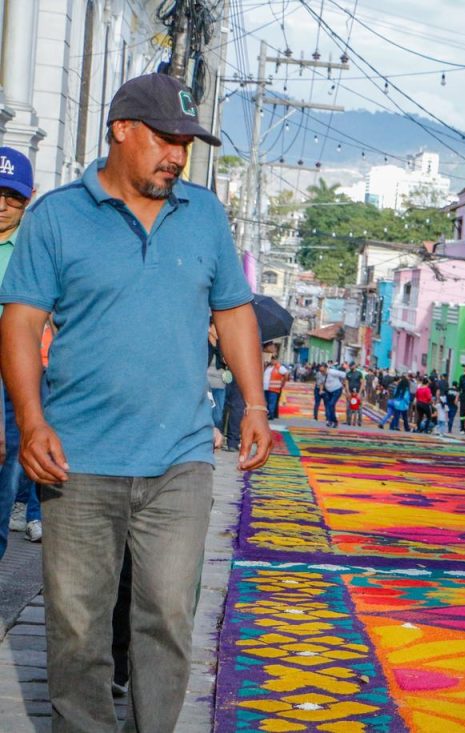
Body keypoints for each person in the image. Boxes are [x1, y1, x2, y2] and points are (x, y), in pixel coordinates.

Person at [0, 73, 273, 732]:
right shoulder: (58, 216)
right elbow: (19, 321)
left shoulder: (204, 213)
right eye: (165, 138)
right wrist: (31, 421)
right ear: (122, 129)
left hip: (179, 457)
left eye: (185, 141)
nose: (177, 155)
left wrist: (255, 404)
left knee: (168, 617)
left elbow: (233, 311)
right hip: (79, 460)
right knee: (76, 628)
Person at [0, 146, 39, 553]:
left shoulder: (36, 249)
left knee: (5, 479)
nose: (2, 206)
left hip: (14, 376)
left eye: (13, 197)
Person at [263, 354, 290, 419]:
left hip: (274, 388)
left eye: (274, 359)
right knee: (267, 402)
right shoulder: (268, 367)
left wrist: (283, 382)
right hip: (266, 388)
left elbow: (286, 373)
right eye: (272, 359)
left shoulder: (279, 367)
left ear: (277, 360)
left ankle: (271, 415)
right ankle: (268, 414)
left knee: (272, 402)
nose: (272, 361)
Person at [323, 363, 345, 428]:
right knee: (330, 405)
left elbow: (343, 375)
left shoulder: (332, 372)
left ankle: (333, 421)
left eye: (322, 370)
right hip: (329, 391)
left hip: (337, 390)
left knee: (331, 404)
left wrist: (343, 383)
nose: (321, 371)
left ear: (326, 368)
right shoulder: (323, 374)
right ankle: (331, 421)